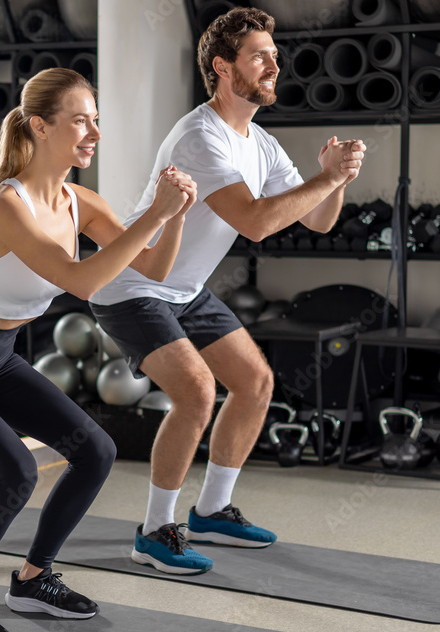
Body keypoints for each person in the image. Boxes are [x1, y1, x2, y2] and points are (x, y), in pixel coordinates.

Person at [0, 68, 196, 632]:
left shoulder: (77, 200)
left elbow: (156, 269)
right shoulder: (4, 207)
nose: (94, 133)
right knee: (15, 473)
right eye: (81, 120)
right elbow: (82, 279)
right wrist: (155, 215)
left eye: (96, 119)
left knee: (97, 451)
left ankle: (34, 578)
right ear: (40, 125)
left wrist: (177, 210)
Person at [89, 7, 368, 575]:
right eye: (259, 56)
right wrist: (327, 179)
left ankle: (212, 510)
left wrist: (336, 178)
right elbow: (257, 222)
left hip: (183, 289)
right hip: (133, 286)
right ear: (222, 67)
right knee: (195, 392)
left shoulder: (258, 142)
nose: (274, 64)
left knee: (255, 381)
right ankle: (154, 531)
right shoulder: (199, 136)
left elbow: (316, 221)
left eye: (274, 55)